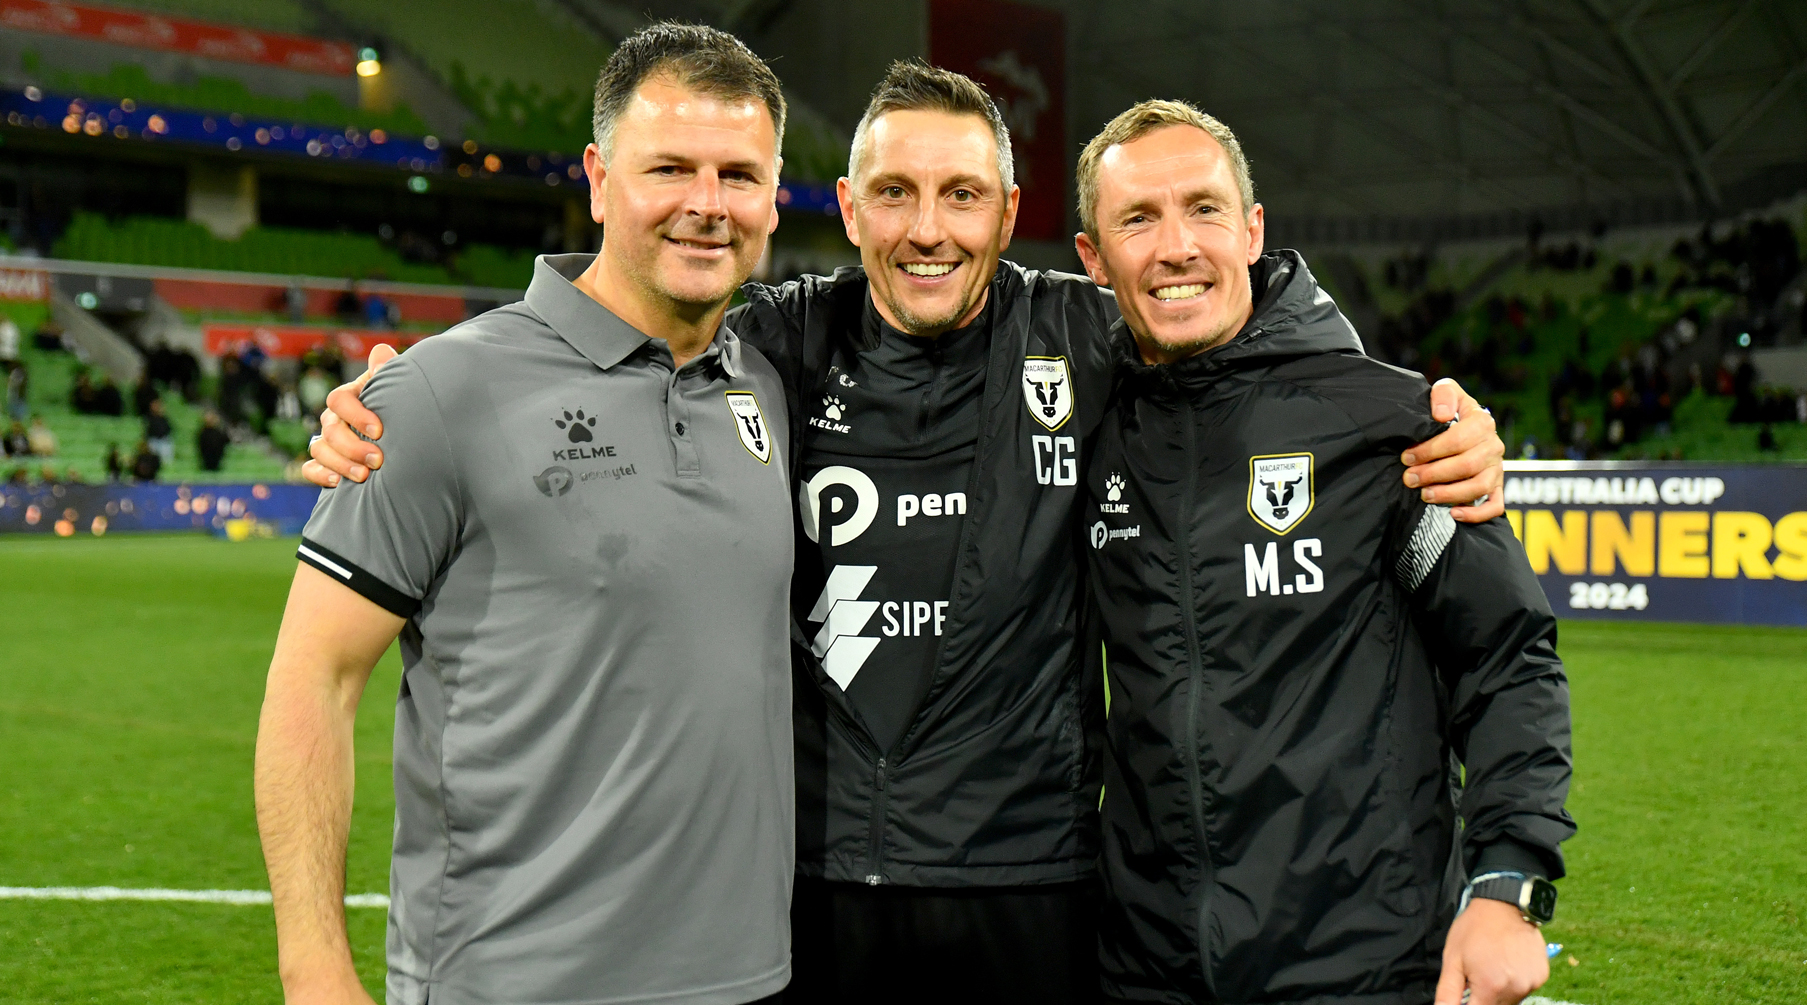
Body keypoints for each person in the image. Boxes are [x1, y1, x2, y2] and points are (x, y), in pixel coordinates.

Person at [306, 61, 1507, 1004]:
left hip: (1030, 886)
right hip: (814, 892)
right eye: (895, 193)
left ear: (1013, 212)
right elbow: (622, 315)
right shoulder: (774, 343)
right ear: (847, 205)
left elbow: (1234, 318)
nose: (929, 229)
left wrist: (1420, 408)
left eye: (963, 195)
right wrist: (403, 391)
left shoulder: (1083, 337)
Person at [255, 24, 796, 1005]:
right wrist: (314, 972)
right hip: (507, 980)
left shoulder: (763, 381)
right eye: (669, 168)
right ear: (597, 177)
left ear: (774, 193)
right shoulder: (434, 396)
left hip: (746, 981)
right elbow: (313, 685)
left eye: (738, 175)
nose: (706, 206)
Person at [1072, 100, 1571, 1005]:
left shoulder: (1389, 425)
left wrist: (1507, 882)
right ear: (1093, 259)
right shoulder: (1086, 421)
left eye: (1205, 208)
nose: (1176, 245)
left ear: (1254, 227)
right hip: (1145, 966)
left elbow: (1506, 659)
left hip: (1362, 963)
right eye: (1137, 219)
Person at [143, 398, 173, 466]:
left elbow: (168, 429)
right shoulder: (148, 417)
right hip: (153, 441)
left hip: (163, 440)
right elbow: (148, 430)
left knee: (166, 460)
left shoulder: (164, 418)